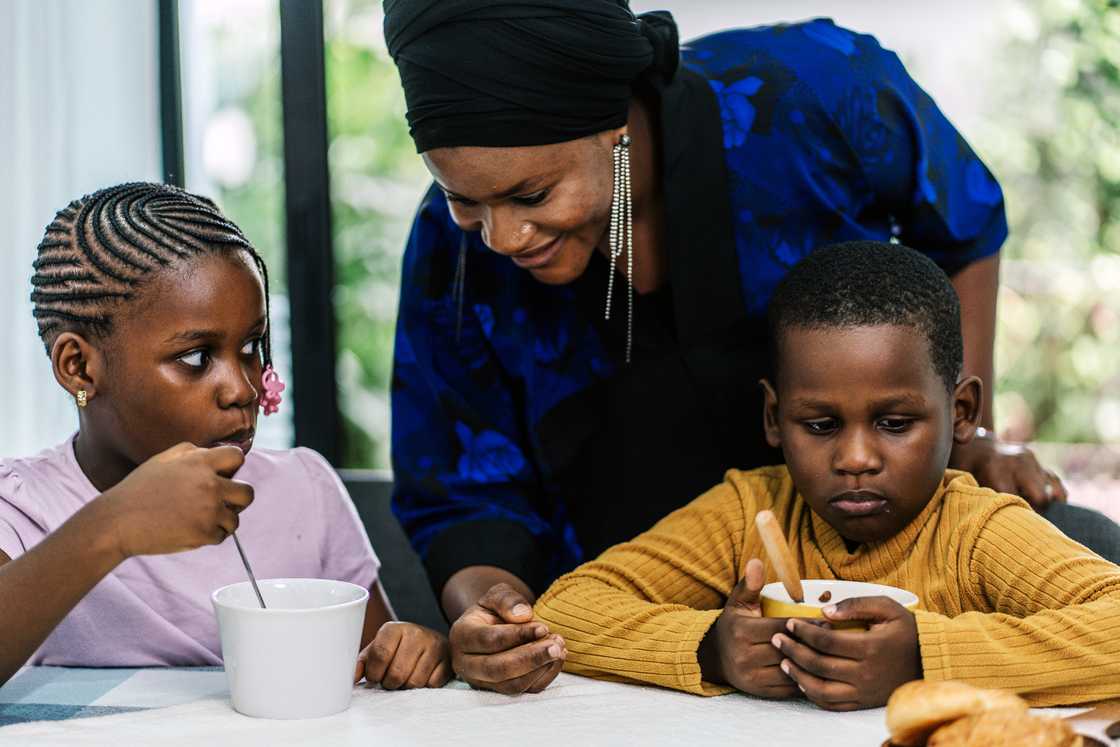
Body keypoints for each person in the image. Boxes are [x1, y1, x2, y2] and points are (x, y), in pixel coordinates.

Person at [383, 0, 1120, 693]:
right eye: (463, 199)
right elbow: (459, 489)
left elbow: (964, 228)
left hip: (902, 596)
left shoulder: (812, 95)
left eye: (531, 195)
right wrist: (493, 610)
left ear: (613, 124)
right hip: (647, 641)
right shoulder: (453, 251)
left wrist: (959, 441)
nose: (501, 238)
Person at [531, 241, 1120, 709]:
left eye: (894, 423)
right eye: (819, 425)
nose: (856, 458)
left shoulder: (975, 531)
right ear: (773, 418)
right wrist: (712, 647)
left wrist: (924, 658)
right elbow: (566, 608)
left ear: (961, 414)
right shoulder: (753, 511)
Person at [0, 183, 453, 690]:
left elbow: (372, 667)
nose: (243, 389)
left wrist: (410, 652)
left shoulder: (305, 489)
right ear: (79, 367)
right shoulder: (19, 509)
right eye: (196, 358)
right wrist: (112, 527)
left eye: (252, 346)